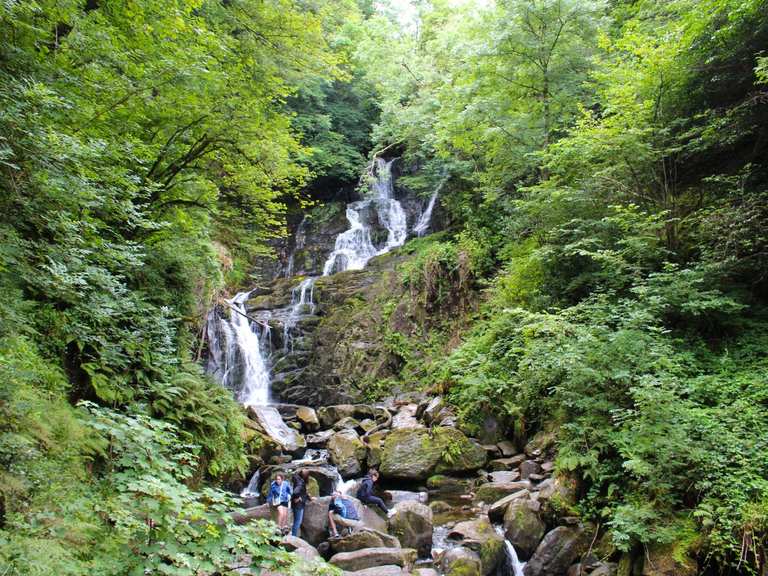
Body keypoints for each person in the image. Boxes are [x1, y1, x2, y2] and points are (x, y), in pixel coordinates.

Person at [290, 469, 314, 537]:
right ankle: (293, 537)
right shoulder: (301, 482)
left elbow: (302, 492)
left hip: (296, 505)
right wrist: (297, 498)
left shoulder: (297, 479)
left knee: (296, 521)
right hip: (298, 505)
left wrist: (309, 497)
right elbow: (295, 492)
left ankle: (293, 536)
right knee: (297, 522)